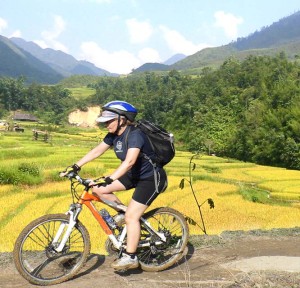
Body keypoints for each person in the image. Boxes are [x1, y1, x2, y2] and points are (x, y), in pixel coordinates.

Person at [63, 100, 168, 271]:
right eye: (104, 121)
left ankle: (130, 257)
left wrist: (110, 178)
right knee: (97, 189)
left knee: (132, 217)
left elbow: (129, 161)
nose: (106, 125)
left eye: (109, 121)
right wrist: (76, 166)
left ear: (123, 119)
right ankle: (124, 214)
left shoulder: (135, 135)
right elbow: (97, 151)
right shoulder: (113, 135)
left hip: (151, 179)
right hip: (134, 175)